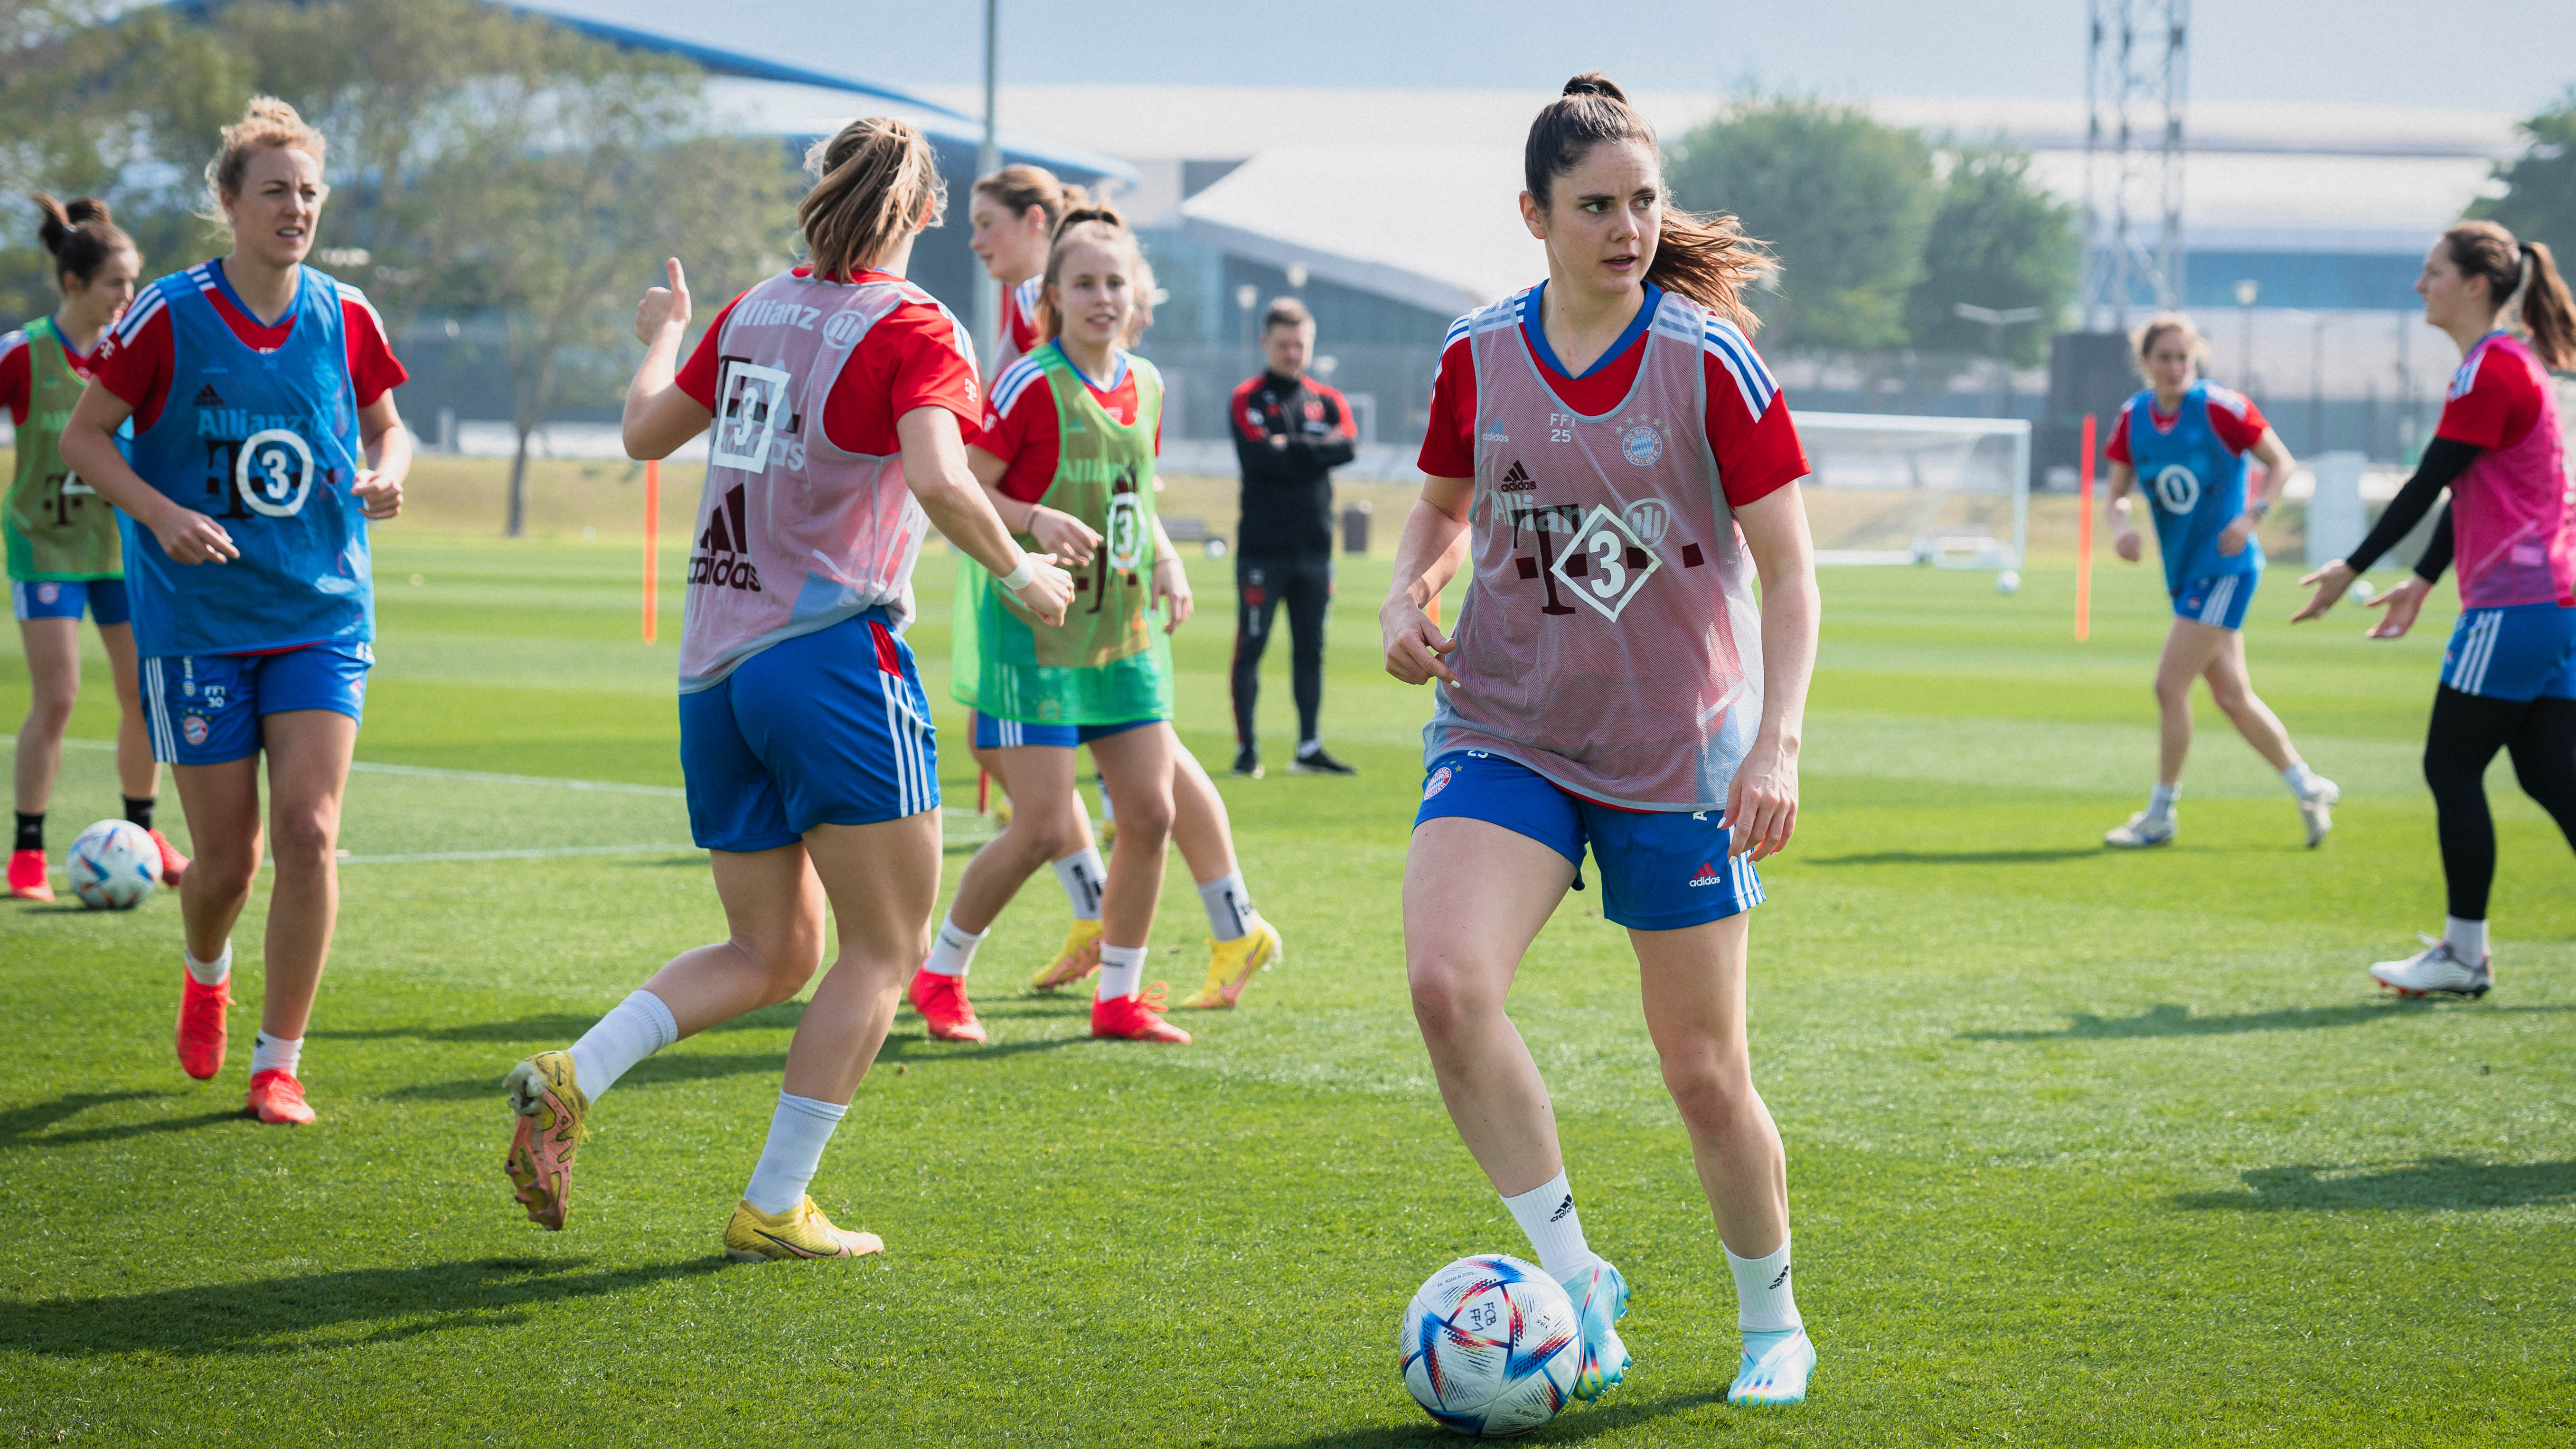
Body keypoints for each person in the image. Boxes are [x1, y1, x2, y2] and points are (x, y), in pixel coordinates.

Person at [498, 117, 1073, 1261]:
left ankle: (576, 1072)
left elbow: (640, 431)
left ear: (821, 195)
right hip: (828, 656)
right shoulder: (914, 324)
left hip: (714, 672)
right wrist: (1020, 573)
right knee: (885, 950)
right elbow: (937, 474)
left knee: (770, 954)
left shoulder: (754, 308)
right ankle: (773, 1205)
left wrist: (661, 335)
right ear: (921, 213)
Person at [1380, 75, 1822, 1409]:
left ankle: (1771, 1320)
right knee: (1448, 988)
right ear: (1534, 215)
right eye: (1596, 207)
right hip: (1505, 724)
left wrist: (1778, 743)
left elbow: (1791, 575)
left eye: (1642, 202)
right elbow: (1440, 508)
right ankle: (1575, 1280)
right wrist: (1408, 591)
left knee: (1701, 1073)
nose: (1627, 227)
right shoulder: (1476, 353)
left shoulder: (1709, 362)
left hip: (1676, 755)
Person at [60, 98, 412, 1124]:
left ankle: (278, 1061)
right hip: (198, 621)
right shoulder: (167, 311)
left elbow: (393, 427)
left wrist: (389, 473)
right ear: (229, 203)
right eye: (275, 191)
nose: (295, 207)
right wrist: (162, 514)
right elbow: (87, 438)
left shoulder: (347, 315)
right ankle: (205, 967)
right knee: (226, 862)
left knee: (308, 832)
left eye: (308, 191)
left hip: (320, 611)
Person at [921, 206, 1281, 1047]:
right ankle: (940, 973)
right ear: (1052, 296)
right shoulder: (1028, 383)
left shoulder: (1146, 384)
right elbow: (965, 489)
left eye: (1115, 282)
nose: (1102, 297)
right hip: (1033, 637)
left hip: (1121, 636)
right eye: (1083, 283)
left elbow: (1136, 495)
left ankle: (1118, 997)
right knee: (1045, 825)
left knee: (1150, 812)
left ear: (1139, 294)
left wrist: (1165, 559)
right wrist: (1033, 520)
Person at [2294, 218, 2576, 999]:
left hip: (2512, 607)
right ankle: (2461, 954)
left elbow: (2427, 481)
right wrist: (2422, 579)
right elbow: (2470, 487)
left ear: (2476, 284)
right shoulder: (2516, 364)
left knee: (2450, 765)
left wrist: (2350, 563)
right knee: (2552, 778)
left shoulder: (2489, 369)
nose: (2421, 286)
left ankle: (2461, 955)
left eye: (2433, 273)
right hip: (2553, 605)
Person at [2099, 313, 2339, 849]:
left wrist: (2250, 516)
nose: (2174, 367)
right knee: (2231, 695)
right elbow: (2116, 489)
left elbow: (2280, 463)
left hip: (2225, 568)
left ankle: (2160, 812)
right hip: (2183, 571)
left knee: (2168, 685)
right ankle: (2308, 786)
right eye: (2163, 357)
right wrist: (2120, 526)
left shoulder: (2220, 408)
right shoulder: (2132, 416)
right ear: (2144, 363)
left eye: (2182, 357)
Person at [7, 195, 188, 900]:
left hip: (122, 552)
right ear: (74, 284)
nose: (129, 296)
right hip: (46, 551)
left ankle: (142, 834)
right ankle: (27, 851)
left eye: (135, 280)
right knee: (57, 698)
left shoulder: (134, 352)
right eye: (117, 282)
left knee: (144, 696)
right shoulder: (25, 354)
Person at [1228, 296, 1359, 778]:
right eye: (1282, 344)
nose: (1291, 353)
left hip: (1316, 551)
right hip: (1262, 551)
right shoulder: (1246, 397)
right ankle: (1247, 750)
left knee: (1311, 651)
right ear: (1265, 343)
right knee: (1252, 647)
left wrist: (1292, 446)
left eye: (1299, 344)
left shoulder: (1328, 399)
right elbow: (1259, 459)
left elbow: (1347, 446)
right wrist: (1312, 449)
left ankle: (1308, 747)